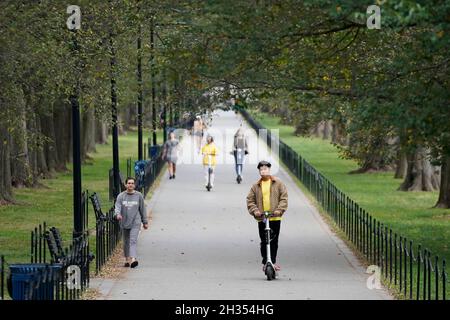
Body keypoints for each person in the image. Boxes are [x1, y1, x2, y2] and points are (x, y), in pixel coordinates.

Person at [246, 160, 288, 272]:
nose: (263, 171)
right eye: (261, 169)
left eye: (265, 169)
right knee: (264, 241)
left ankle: (272, 262)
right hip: (262, 218)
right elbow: (250, 200)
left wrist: (279, 210)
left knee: (274, 241)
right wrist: (255, 211)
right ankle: (266, 262)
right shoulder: (256, 186)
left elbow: (284, 198)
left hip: (275, 217)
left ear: (269, 170)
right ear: (259, 171)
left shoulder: (278, 183)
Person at [114, 177, 148, 268]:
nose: (131, 185)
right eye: (129, 183)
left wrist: (145, 222)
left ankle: (133, 259)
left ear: (134, 185)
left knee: (133, 240)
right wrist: (118, 214)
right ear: (125, 185)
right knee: (126, 241)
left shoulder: (139, 195)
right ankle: (126, 259)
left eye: (132, 183)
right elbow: (117, 206)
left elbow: (142, 209)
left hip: (135, 221)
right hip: (124, 221)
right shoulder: (121, 196)